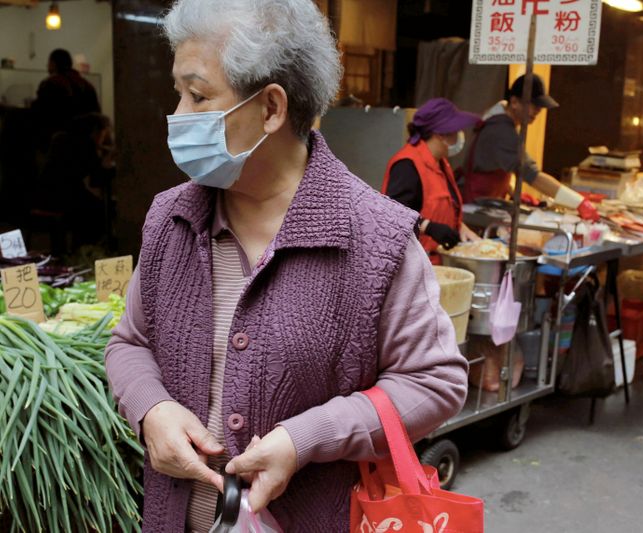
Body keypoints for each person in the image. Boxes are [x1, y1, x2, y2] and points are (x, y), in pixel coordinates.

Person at [103, 1, 468, 531]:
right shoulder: (171, 219)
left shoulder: (372, 239)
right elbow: (130, 343)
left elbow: (434, 381)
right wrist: (151, 408)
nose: (178, 115)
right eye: (178, 93)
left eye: (198, 95)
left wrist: (305, 439)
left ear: (271, 108)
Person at [461, 74, 599, 221]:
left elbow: (495, 164)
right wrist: (579, 203)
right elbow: (533, 175)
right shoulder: (502, 131)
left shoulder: (501, 122)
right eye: (533, 104)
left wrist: (514, 193)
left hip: (484, 202)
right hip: (474, 207)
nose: (538, 110)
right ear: (514, 102)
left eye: (540, 106)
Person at [382, 98, 481, 263]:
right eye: (456, 131)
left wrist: (461, 228)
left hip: (439, 263)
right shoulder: (407, 165)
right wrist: (429, 227)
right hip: (414, 264)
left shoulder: (441, 163)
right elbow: (391, 216)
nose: (459, 136)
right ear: (440, 134)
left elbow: (445, 207)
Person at [36, 112, 115, 249]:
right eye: (104, 132)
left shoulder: (61, 137)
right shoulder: (86, 144)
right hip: (65, 197)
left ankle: (77, 248)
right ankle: (86, 249)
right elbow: (96, 180)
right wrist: (112, 166)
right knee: (99, 210)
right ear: (96, 131)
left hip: (43, 195)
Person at [32, 49, 100, 148]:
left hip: (58, 142)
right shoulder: (87, 85)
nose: (47, 67)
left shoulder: (51, 82)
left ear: (53, 64)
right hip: (86, 142)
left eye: (48, 63)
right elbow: (96, 113)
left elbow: (39, 112)